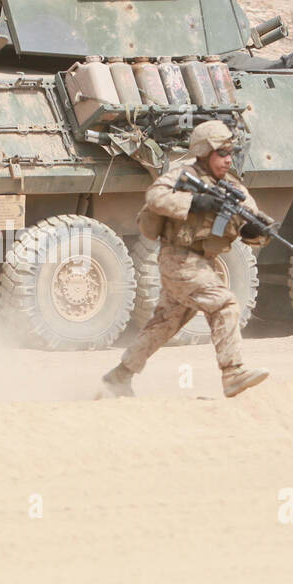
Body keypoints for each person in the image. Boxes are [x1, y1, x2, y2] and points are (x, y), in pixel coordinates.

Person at [101, 121, 269, 398]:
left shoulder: (232, 186)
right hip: (179, 259)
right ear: (204, 152)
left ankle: (119, 376)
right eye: (222, 153)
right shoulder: (183, 176)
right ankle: (233, 373)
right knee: (225, 304)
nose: (228, 159)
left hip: (204, 262)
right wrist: (194, 203)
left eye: (231, 153)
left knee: (165, 323)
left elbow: (251, 217)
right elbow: (155, 196)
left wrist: (254, 229)